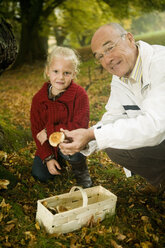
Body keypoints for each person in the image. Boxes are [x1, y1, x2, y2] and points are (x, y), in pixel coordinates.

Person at [60, 23, 165, 194]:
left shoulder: (161, 64)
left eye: (109, 48)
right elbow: (113, 116)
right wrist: (86, 137)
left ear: (130, 39)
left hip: (160, 131)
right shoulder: (120, 78)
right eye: (100, 56)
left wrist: (92, 135)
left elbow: (155, 126)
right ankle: (161, 180)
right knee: (114, 147)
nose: (107, 60)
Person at [30, 46, 92, 188]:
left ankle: (81, 171)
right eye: (56, 71)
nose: (60, 77)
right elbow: (37, 131)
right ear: (48, 71)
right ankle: (58, 159)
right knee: (40, 175)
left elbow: (80, 126)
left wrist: (50, 131)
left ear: (74, 74)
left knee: (74, 151)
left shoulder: (79, 95)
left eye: (66, 73)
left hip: (71, 139)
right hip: (48, 145)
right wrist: (48, 157)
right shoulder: (38, 99)